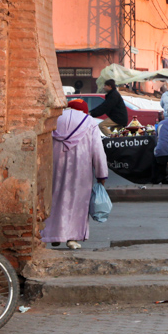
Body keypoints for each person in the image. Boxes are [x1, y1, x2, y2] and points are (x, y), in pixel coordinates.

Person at [41, 100, 108, 250]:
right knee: (77, 203)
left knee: (54, 199)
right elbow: (98, 150)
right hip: (80, 169)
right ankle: (72, 238)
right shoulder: (89, 122)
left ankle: (53, 234)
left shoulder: (54, 119)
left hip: (54, 166)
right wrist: (101, 174)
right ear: (84, 110)